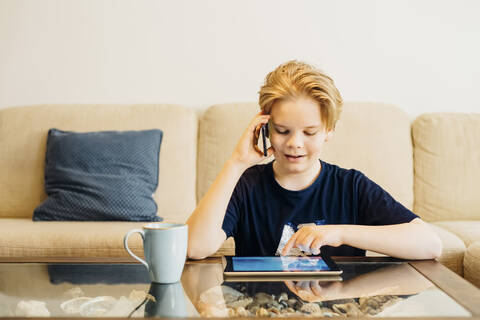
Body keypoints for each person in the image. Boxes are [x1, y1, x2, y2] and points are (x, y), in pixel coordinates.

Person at [186, 60, 442, 260]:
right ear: (265, 127)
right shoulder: (246, 184)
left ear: (329, 130)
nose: (295, 143)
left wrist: (339, 232)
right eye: (283, 130)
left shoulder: (350, 186)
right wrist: (237, 162)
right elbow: (194, 247)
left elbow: (429, 244)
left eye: (309, 132)